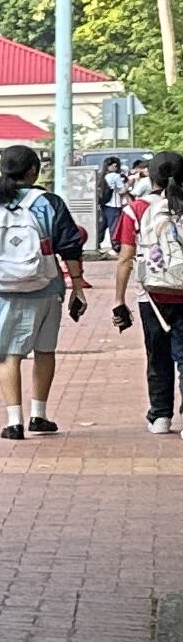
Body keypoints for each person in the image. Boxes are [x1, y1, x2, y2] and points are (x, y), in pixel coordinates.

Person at [0, 143, 92, 438]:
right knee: (44, 350)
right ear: (34, 171)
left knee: (9, 356)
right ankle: (39, 415)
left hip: (0, 290)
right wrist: (77, 286)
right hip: (46, 288)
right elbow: (70, 246)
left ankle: (14, 421)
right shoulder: (49, 202)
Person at [120, 153, 183, 434]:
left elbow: (125, 258)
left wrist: (118, 300)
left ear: (151, 177)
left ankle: (160, 416)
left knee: (157, 355)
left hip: (152, 295)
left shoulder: (136, 209)